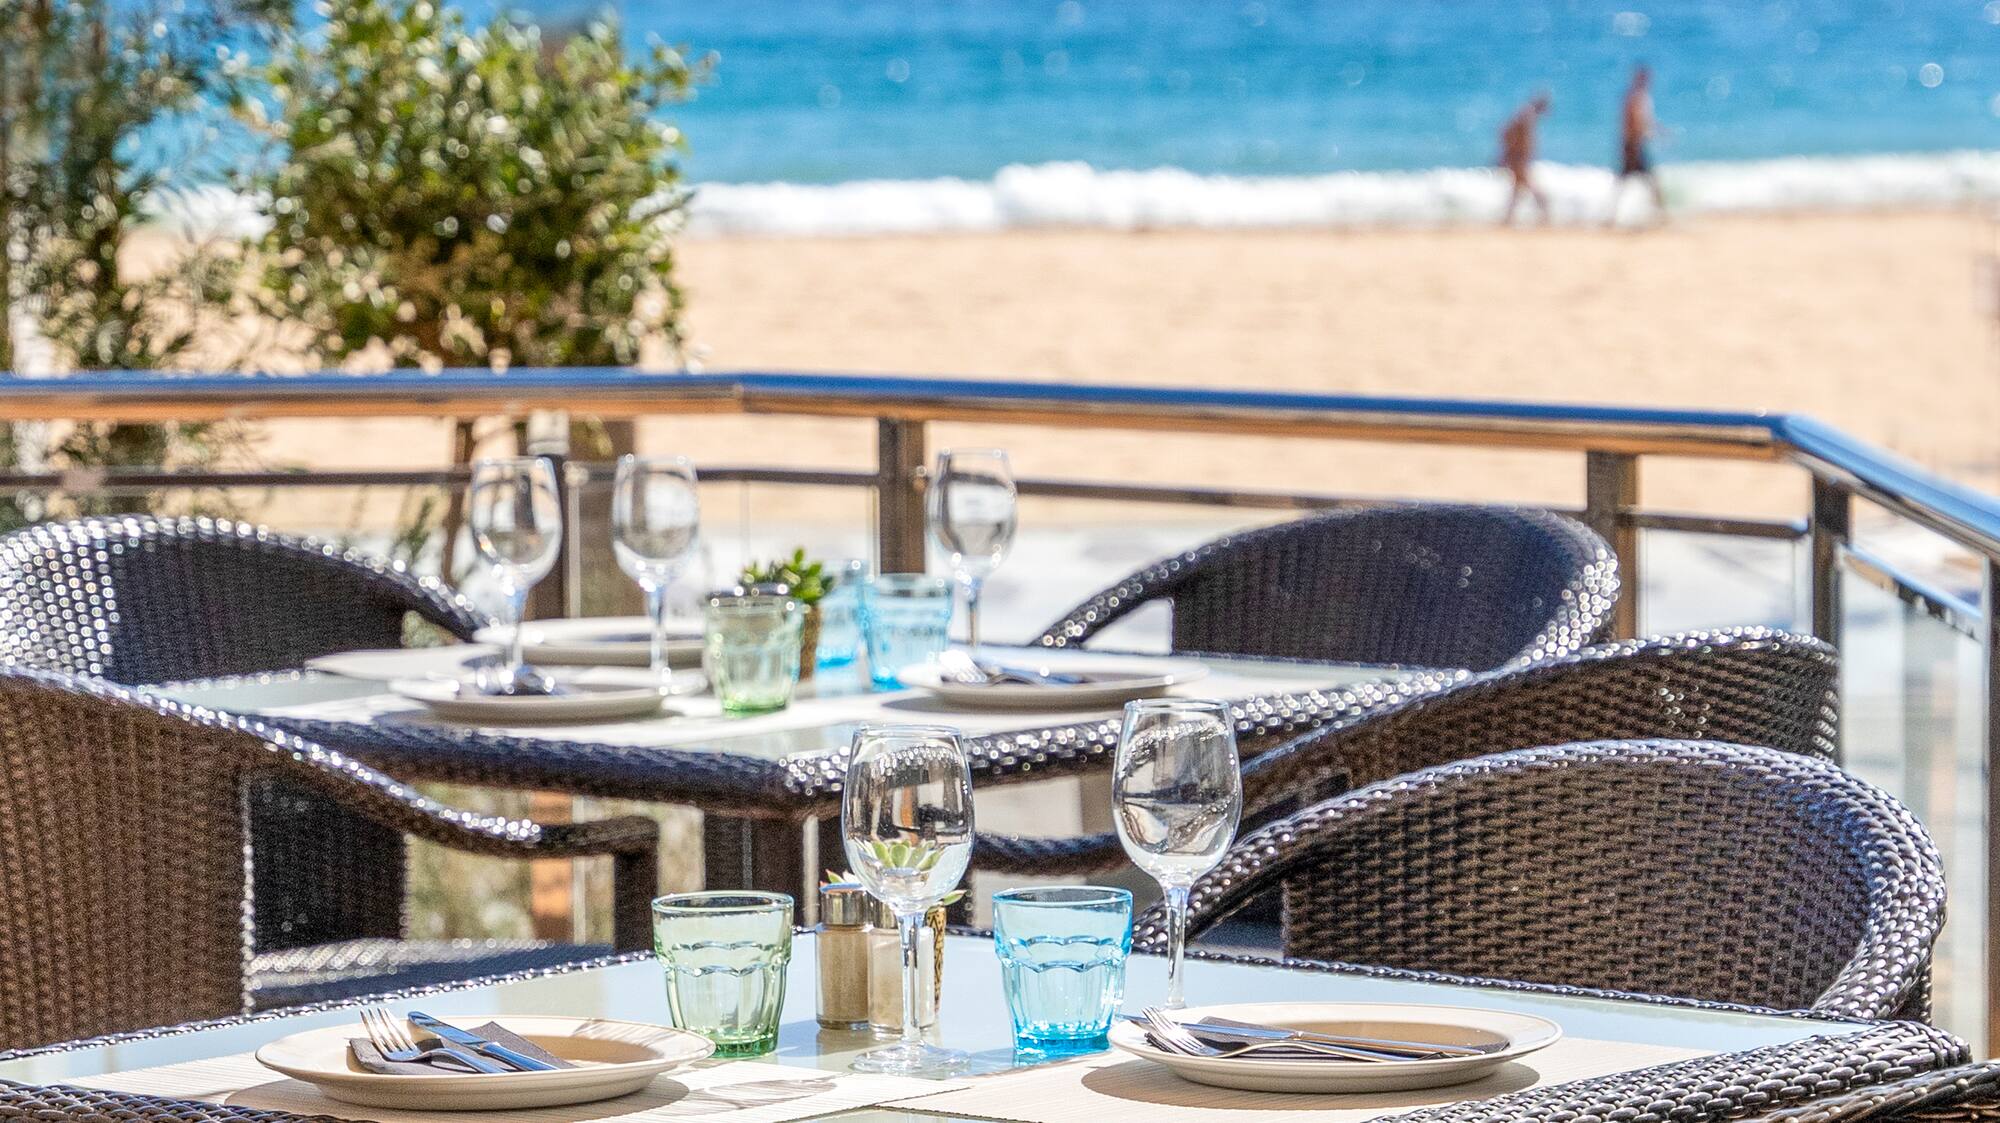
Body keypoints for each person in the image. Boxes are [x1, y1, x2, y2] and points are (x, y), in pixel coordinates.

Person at [1609, 64, 1666, 225]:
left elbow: (1644, 121)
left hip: (1634, 144)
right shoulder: (1634, 97)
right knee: (1647, 181)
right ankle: (1660, 214)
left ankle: (1612, 214)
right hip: (1633, 145)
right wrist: (1633, 144)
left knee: (1630, 182)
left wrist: (1659, 130)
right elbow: (1632, 124)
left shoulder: (1637, 96)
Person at [1498, 93, 1552, 225]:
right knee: (1530, 188)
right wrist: (1512, 153)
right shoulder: (1527, 115)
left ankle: (1508, 219)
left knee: (1517, 190)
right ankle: (1545, 214)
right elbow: (1513, 136)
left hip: (1517, 158)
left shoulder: (1525, 114)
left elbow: (1507, 133)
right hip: (1518, 159)